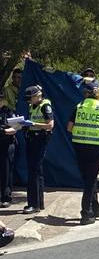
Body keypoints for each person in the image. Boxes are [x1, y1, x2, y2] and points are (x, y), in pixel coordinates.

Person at [68, 78, 99, 225]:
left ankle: (95, 209)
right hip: (95, 148)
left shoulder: (79, 106)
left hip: (79, 146)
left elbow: (69, 128)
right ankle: (86, 213)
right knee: (90, 182)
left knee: (88, 179)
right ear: (97, 92)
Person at [22, 85, 54, 214]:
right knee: (35, 170)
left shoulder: (45, 106)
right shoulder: (32, 106)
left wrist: (33, 124)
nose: (29, 101)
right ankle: (37, 203)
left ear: (37, 96)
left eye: (30, 98)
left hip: (40, 139)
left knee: (34, 171)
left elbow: (50, 125)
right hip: (32, 138)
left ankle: (34, 204)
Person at [0, 91, 17, 207]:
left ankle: (6, 197)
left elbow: (15, 129)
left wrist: (3, 131)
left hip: (6, 144)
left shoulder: (8, 112)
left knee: (6, 171)